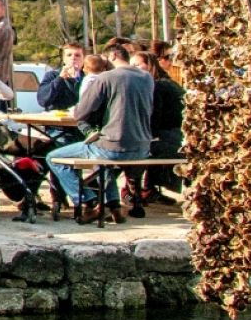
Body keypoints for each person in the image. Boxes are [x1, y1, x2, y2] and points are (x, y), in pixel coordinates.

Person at [46, 43, 153, 224]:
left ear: (111, 57)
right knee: (105, 166)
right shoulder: (147, 77)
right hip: (142, 147)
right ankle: (112, 205)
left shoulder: (106, 78)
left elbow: (81, 112)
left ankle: (87, 200)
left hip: (113, 146)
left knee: (53, 158)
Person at [132, 50, 185, 204]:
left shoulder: (156, 86)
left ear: (149, 66)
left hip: (169, 137)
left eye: (137, 64)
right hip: (177, 135)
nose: (133, 68)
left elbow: (155, 117)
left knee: (133, 148)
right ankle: (149, 188)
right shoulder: (168, 82)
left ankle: (135, 191)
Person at [37, 42, 86, 112]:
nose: (73, 58)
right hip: (56, 120)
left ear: (83, 59)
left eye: (77, 55)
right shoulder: (52, 76)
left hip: (79, 120)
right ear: (64, 59)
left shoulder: (88, 78)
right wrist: (60, 79)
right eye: (69, 55)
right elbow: (43, 101)